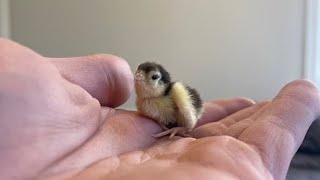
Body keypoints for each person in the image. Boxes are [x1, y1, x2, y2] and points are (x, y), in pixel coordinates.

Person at [0, 38, 319, 180]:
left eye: (149, 77)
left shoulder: (174, 95)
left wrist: (182, 128)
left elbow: (190, 117)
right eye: (140, 73)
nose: (138, 78)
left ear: (161, 82)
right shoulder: (141, 102)